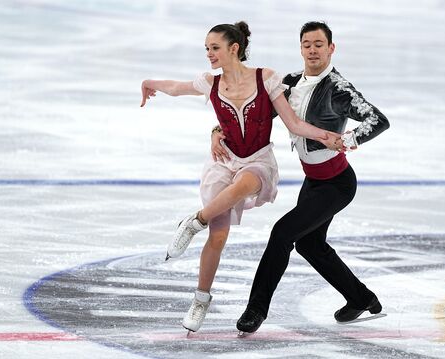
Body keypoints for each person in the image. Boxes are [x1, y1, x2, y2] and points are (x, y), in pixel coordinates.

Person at [140, 21, 343, 333]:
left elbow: (293, 123)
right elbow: (176, 88)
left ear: (234, 49)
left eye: (215, 48)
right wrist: (148, 82)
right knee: (218, 235)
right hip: (224, 161)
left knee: (247, 182)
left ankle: (194, 221)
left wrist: (325, 135)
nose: (209, 54)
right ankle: (200, 299)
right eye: (207, 49)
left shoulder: (266, 78)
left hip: (258, 161)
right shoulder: (211, 83)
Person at [211, 21, 390, 334]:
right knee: (310, 244)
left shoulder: (339, 88)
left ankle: (256, 310)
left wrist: (348, 140)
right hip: (314, 181)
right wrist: (217, 131)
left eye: (319, 44)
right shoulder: (290, 82)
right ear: (300, 48)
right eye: (307, 44)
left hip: (336, 183)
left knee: (282, 233)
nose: (312, 50)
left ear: (331, 48)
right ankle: (362, 298)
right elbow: (254, 114)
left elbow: (378, 120)